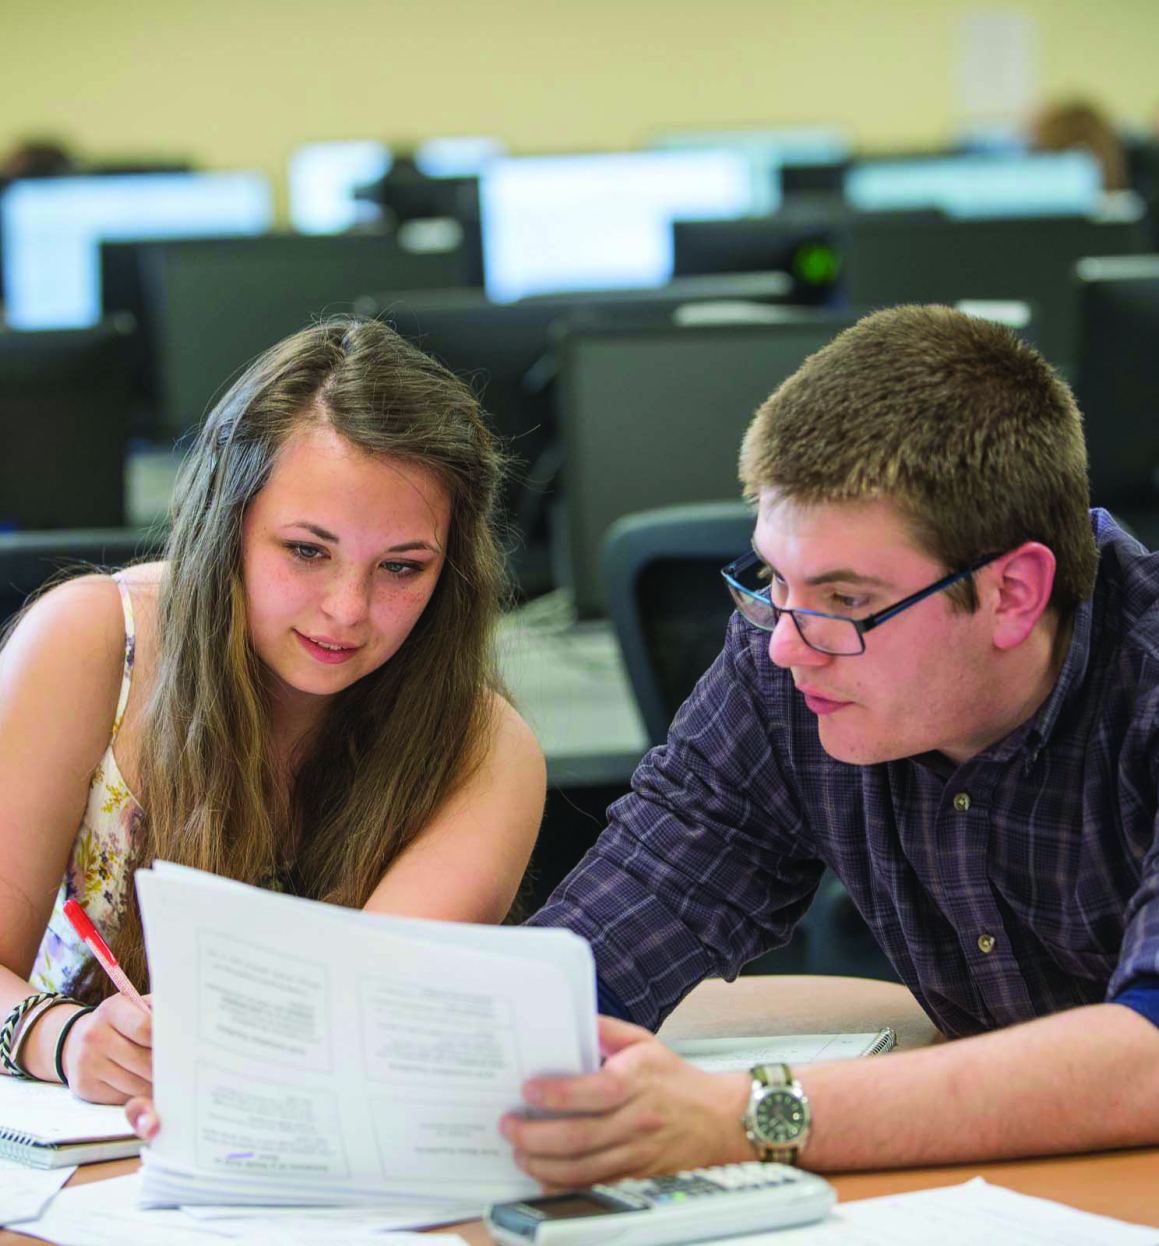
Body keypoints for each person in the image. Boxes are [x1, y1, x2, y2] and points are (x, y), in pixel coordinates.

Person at [506, 304, 1159, 1181]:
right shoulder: (785, 658)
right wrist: (506, 1048)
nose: (784, 641)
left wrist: (748, 1116)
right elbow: (635, 910)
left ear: (1012, 593)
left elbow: (1147, 1062)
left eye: (845, 598)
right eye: (775, 577)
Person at [0, 318, 544, 1106]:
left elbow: (368, 1019)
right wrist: (65, 1037)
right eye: (306, 551)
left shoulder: (482, 747)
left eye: (401, 567)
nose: (347, 611)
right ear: (229, 529)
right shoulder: (89, 642)